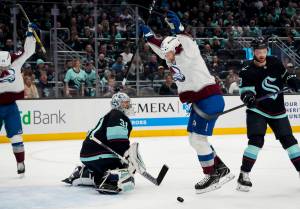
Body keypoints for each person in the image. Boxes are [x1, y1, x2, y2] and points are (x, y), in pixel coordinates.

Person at [140, 11, 234, 193]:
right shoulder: (170, 53)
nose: (165, 56)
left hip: (209, 98)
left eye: (168, 53)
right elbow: (160, 47)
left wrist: (178, 27)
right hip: (199, 100)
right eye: (165, 53)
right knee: (193, 138)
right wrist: (148, 35)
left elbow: (184, 39)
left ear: (176, 48)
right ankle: (220, 168)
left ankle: (212, 174)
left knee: (198, 139)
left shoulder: (188, 51)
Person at [237, 37, 300, 192]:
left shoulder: (275, 62)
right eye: (258, 51)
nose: (261, 53)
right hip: (258, 110)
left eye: (264, 50)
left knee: (290, 142)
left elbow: (286, 76)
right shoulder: (247, 70)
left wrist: (293, 82)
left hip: (278, 110)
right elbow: (245, 91)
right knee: (256, 140)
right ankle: (244, 175)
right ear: (253, 52)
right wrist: (248, 97)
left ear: (267, 50)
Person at [63, 92, 145, 194]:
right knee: (125, 168)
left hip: (88, 156)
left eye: (128, 103)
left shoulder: (112, 115)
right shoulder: (117, 115)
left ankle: (86, 172)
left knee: (120, 164)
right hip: (97, 154)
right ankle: (110, 181)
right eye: (125, 103)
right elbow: (117, 141)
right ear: (117, 104)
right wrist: (127, 160)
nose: (128, 105)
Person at [0, 23, 37, 176]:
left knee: (16, 136)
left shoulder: (15, 60)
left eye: (4, 68)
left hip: (10, 107)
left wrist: (30, 35)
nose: (3, 70)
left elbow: (29, 51)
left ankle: (20, 162)